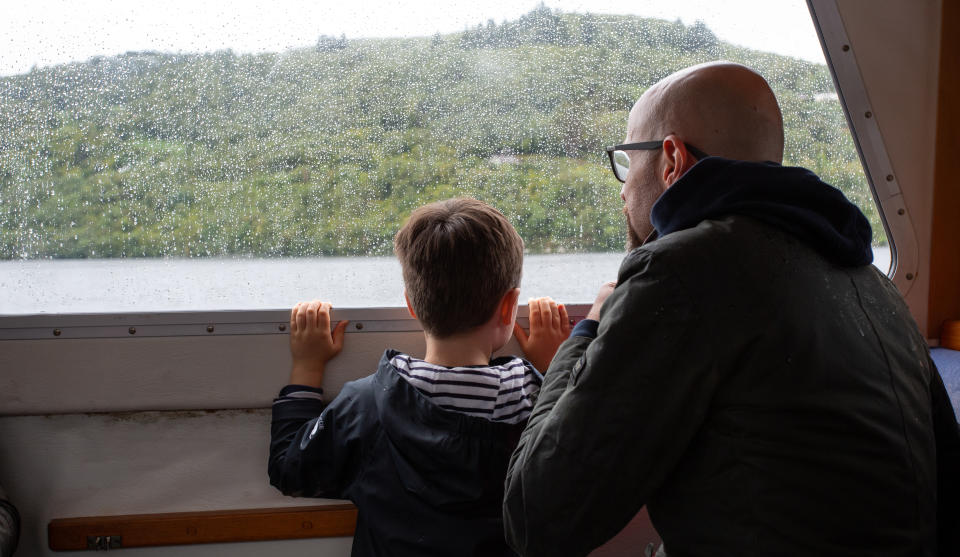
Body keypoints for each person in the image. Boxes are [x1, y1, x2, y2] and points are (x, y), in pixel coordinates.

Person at [503, 62, 960, 556]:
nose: (623, 188)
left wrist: (586, 332)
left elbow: (536, 515)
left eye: (626, 161)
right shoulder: (874, 285)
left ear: (671, 159)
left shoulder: (679, 273)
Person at [268, 198, 569, 556]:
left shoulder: (370, 405)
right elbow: (576, 472)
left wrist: (307, 366)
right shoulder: (536, 404)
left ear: (411, 303)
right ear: (508, 306)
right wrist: (554, 368)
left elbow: (290, 469)